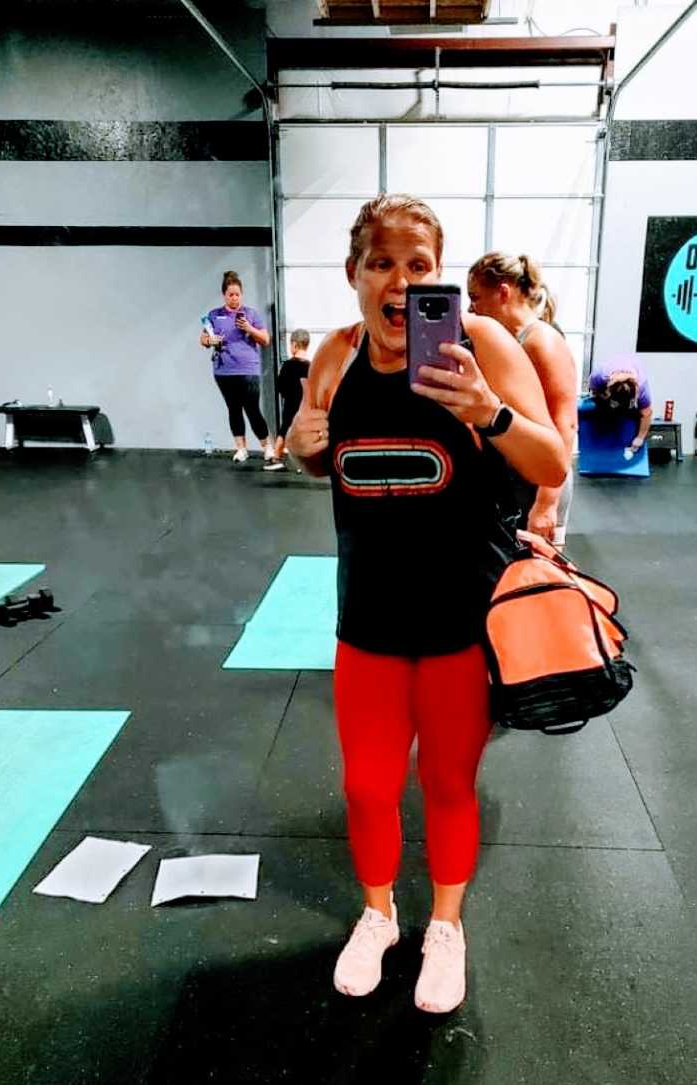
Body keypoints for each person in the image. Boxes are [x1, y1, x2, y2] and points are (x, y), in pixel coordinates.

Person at [286, 194, 567, 1014]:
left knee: (448, 783)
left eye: (418, 266)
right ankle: (378, 914)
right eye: (382, 263)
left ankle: (446, 926)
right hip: (367, 619)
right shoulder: (333, 359)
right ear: (354, 274)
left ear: (437, 274)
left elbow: (548, 459)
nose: (400, 282)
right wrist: (301, 450)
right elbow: (323, 462)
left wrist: (490, 411)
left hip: (458, 621)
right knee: (369, 787)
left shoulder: (479, 344)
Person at [467, 252, 578, 549]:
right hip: (516, 482)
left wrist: (545, 505)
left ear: (503, 292)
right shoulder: (509, 344)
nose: (471, 308)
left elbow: (565, 424)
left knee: (536, 584)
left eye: (476, 297)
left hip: (540, 488)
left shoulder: (541, 341)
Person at [200, 270, 273, 465]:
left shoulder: (251, 314)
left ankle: (267, 446)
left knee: (252, 409)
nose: (234, 298)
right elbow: (203, 339)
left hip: (248, 370)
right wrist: (210, 340)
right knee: (233, 409)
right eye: (230, 294)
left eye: (237, 294)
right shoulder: (214, 315)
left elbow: (265, 339)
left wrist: (249, 328)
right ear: (224, 295)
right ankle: (241, 448)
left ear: (242, 294)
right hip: (224, 370)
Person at [587, 354, 653, 458]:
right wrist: (602, 396)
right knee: (603, 409)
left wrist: (640, 438)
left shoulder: (642, 386)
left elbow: (647, 413)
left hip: (631, 379)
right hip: (607, 387)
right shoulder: (599, 376)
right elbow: (593, 389)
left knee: (629, 414)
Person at [269, 329, 311, 470]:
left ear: (293, 345)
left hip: (291, 403)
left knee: (284, 429)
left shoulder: (288, 365)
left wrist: (286, 394)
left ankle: (276, 457)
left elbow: (280, 385)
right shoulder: (311, 366)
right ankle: (304, 462)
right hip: (306, 405)